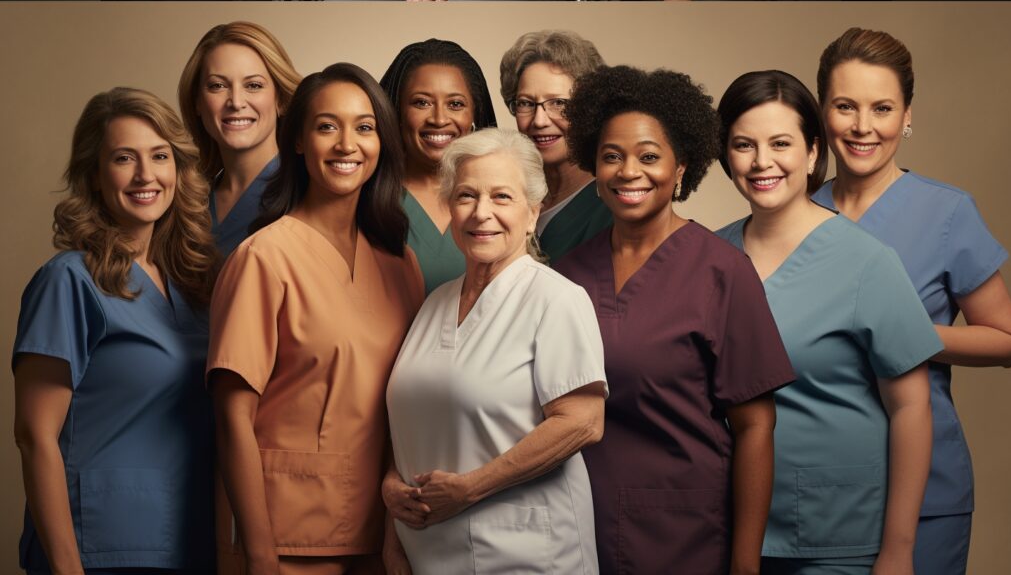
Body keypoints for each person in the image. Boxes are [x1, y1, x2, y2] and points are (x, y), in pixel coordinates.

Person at [556, 65, 794, 575]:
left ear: (681, 167)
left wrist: (746, 563)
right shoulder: (566, 276)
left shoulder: (721, 271)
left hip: (686, 537)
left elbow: (756, 426)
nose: (628, 172)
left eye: (648, 156)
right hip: (575, 531)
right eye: (611, 157)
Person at [812, 28, 1011, 574]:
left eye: (882, 108)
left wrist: (896, 335)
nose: (863, 127)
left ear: (907, 115)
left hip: (927, 494)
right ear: (821, 112)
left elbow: (1007, 340)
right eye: (845, 106)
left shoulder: (947, 213)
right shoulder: (792, 212)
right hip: (818, 492)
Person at [716, 69, 942, 574]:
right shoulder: (708, 256)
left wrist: (898, 551)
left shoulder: (867, 262)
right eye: (743, 145)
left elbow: (911, 408)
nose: (761, 162)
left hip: (838, 537)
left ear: (813, 152)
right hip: (729, 531)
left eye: (780, 143)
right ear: (725, 156)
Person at [206, 63, 423, 574]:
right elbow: (232, 416)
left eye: (365, 128)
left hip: (382, 534)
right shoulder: (264, 257)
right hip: (284, 535)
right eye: (327, 126)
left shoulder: (400, 265)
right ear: (299, 141)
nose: (347, 143)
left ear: (381, 144)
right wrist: (259, 555)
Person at [13, 87, 219, 574]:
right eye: (125, 158)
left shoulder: (194, 284)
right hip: (98, 547)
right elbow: (33, 435)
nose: (146, 175)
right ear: (94, 174)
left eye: (160, 156)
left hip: (191, 537)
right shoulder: (68, 279)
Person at [383, 128, 607, 574]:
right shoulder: (435, 304)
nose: (481, 212)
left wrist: (471, 488)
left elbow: (582, 423)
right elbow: (417, 417)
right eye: (466, 195)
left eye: (502, 197)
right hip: (430, 553)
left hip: (525, 554)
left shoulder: (556, 299)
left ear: (532, 212)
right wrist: (390, 485)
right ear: (450, 209)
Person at [380, 39, 498, 293]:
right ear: (397, 112)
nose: (439, 119)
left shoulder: (502, 198)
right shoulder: (370, 196)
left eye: (455, 104)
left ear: (474, 116)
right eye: (422, 102)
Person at [178, 21, 302, 255]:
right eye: (217, 85)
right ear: (197, 101)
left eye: (253, 85)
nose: (236, 102)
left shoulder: (306, 192)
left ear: (281, 99)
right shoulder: (186, 200)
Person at [499, 30, 613, 262]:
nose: (539, 120)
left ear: (590, 108)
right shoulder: (505, 199)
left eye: (559, 103)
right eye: (526, 103)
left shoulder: (612, 208)